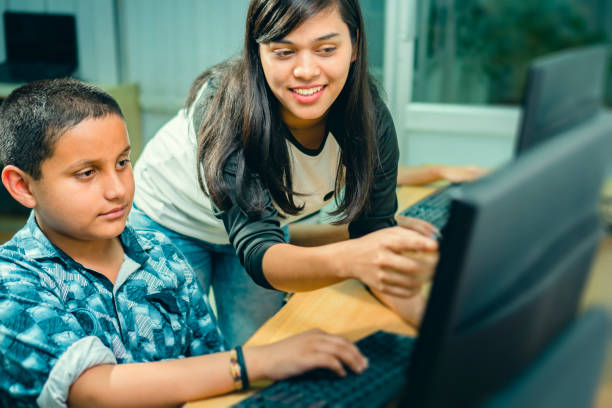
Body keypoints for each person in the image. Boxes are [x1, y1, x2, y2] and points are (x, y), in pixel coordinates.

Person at [0, 78, 368, 407]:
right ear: (22, 185)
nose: (117, 189)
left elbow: (208, 358)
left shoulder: (160, 254)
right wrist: (260, 359)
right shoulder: (13, 281)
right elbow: (94, 391)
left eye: (123, 162)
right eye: (87, 173)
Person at [132, 0, 440, 347]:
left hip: (260, 228)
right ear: (257, 51)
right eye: (283, 52)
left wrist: (438, 325)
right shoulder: (227, 109)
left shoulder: (368, 116)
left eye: (326, 49)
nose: (306, 70)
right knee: (177, 351)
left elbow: (372, 234)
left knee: (260, 348)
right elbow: (261, 251)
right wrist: (352, 257)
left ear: (354, 44)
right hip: (169, 218)